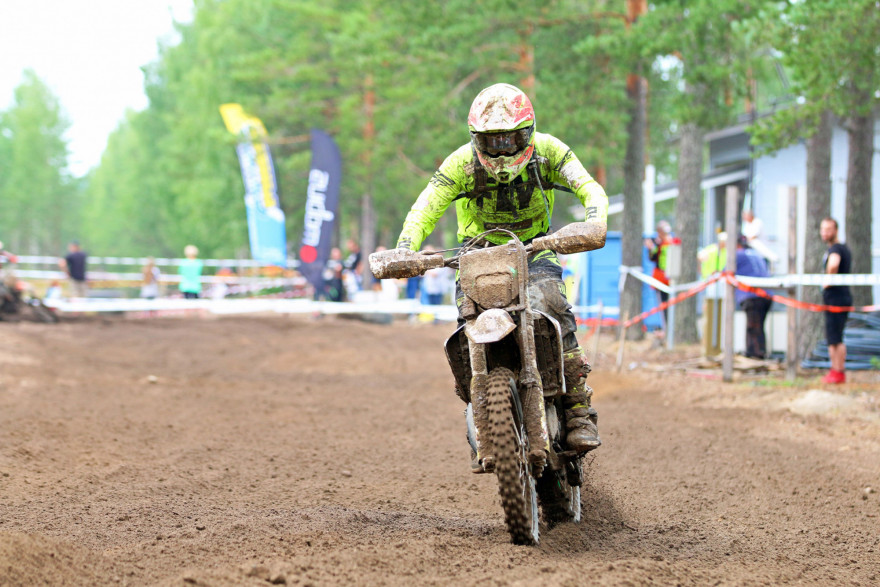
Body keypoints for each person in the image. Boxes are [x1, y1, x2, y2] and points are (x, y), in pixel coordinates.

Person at [393, 83, 608, 456]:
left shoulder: (549, 152)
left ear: (528, 132)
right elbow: (425, 206)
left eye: (511, 139)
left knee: (554, 305)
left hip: (535, 248)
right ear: (477, 140)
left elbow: (590, 188)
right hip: (478, 254)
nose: (504, 149)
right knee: (467, 323)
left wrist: (593, 221)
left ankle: (577, 409)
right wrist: (405, 247)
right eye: (493, 142)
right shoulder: (461, 163)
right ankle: (480, 404)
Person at [819, 218, 852, 384]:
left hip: (836, 299)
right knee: (836, 336)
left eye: (828, 229)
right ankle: (837, 371)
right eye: (822, 229)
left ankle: (837, 372)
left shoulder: (836, 249)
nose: (825, 232)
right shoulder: (841, 247)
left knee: (834, 338)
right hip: (840, 298)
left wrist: (826, 281)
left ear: (836, 230)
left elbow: (833, 265)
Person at [735, 235, 772, 359]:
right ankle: (758, 352)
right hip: (766, 295)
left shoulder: (738, 255)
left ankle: (755, 355)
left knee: (753, 327)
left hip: (752, 296)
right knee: (758, 326)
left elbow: (725, 272)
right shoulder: (756, 254)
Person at [644, 220, 678, 326]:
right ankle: (666, 328)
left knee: (668, 306)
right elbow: (653, 257)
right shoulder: (659, 244)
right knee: (663, 306)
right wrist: (650, 248)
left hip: (668, 279)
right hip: (661, 280)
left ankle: (668, 328)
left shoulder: (671, 242)